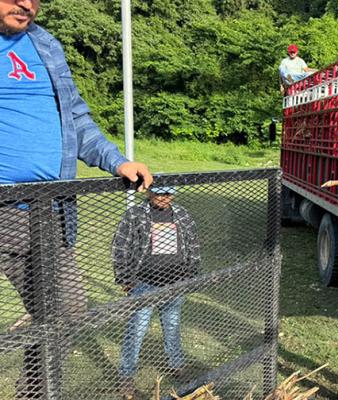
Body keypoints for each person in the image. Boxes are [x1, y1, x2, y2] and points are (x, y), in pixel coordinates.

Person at [0, 1, 152, 397]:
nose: (27, 5)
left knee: (65, 312)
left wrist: (117, 162)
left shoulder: (45, 44)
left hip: (47, 212)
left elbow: (77, 121)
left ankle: (32, 395)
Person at [113, 186, 201, 399]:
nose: (164, 198)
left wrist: (192, 273)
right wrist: (125, 278)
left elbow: (193, 243)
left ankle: (177, 365)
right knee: (137, 329)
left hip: (175, 282)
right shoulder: (135, 214)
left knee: (172, 325)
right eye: (159, 193)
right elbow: (120, 246)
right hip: (144, 283)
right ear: (148, 193)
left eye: (169, 194)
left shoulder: (181, 214)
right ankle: (126, 376)